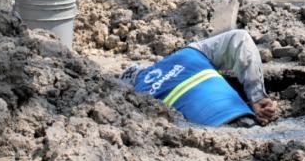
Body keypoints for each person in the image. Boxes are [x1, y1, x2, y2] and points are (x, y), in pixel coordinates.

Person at [119, 29, 278, 127]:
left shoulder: (137, 96)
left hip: (208, 134)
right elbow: (240, 38)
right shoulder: (190, 52)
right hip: (246, 118)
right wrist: (257, 97)